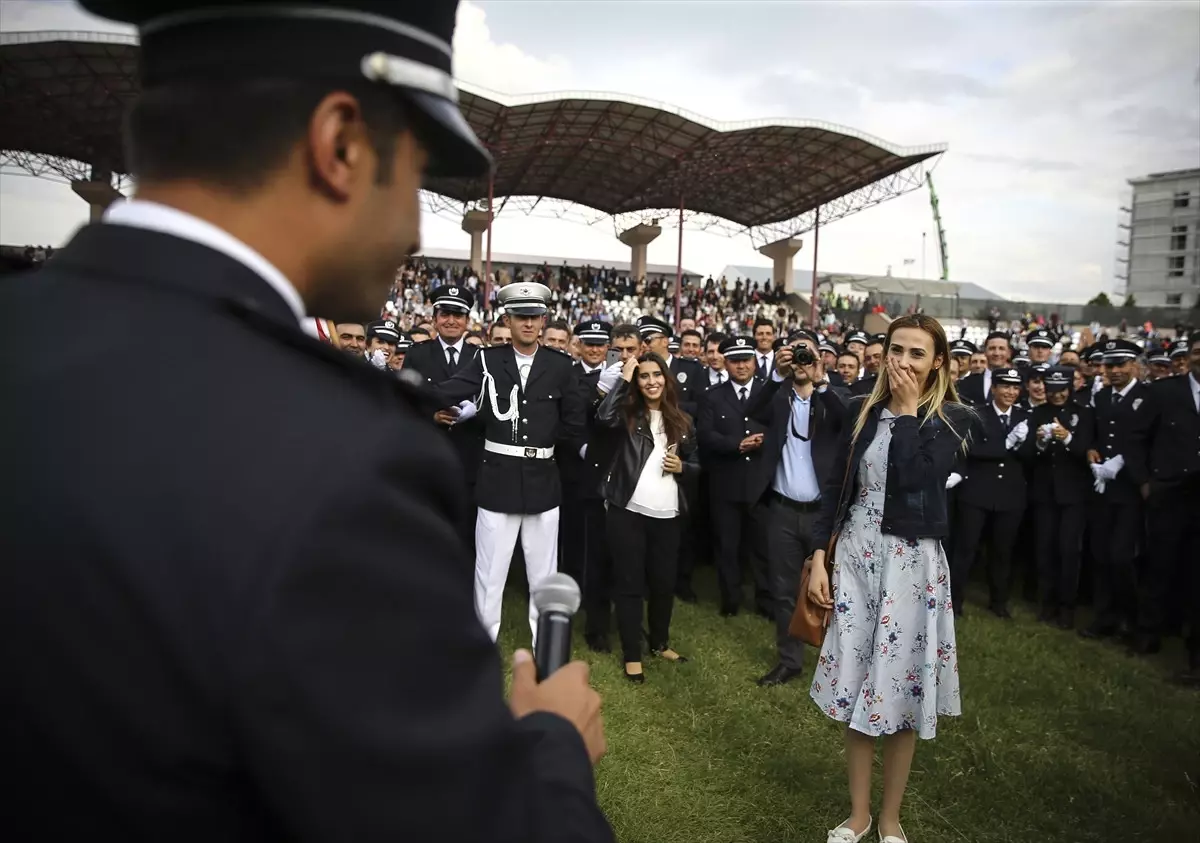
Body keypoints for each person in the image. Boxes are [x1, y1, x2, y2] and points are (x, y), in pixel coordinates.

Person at [0, 3, 613, 839]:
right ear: (341, 146)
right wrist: (553, 742)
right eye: (420, 171)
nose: (415, 225)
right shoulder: (346, 462)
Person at [806, 314, 970, 843]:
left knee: (901, 689)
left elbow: (918, 480)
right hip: (855, 559)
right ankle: (858, 815)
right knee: (859, 687)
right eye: (895, 349)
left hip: (911, 568)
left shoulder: (951, 420)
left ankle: (891, 818)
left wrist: (904, 414)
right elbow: (836, 488)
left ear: (937, 362)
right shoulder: (862, 411)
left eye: (916, 353)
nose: (901, 361)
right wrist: (817, 558)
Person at [433, 282, 590, 642]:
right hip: (497, 477)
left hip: (543, 480)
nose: (529, 324)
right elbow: (449, 390)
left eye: (535, 317)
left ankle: (546, 644)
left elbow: (574, 423)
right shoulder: (487, 359)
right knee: (489, 572)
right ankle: (481, 643)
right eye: (521, 317)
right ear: (508, 318)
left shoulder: (561, 365)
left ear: (544, 319)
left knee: (543, 573)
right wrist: (400, 391)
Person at [743, 330, 848, 686]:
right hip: (783, 510)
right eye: (796, 354)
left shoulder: (834, 396)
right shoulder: (778, 395)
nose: (802, 361)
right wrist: (775, 374)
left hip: (824, 513)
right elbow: (751, 411)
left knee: (834, 590)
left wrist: (820, 384)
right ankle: (790, 660)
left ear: (823, 358)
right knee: (784, 588)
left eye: (809, 354)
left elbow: (848, 422)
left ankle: (837, 662)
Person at [595, 353, 700, 683]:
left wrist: (686, 468)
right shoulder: (627, 414)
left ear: (666, 379)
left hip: (668, 513)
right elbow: (602, 416)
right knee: (629, 584)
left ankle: (659, 642)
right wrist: (623, 378)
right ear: (637, 383)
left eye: (657, 374)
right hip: (628, 511)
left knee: (663, 583)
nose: (651, 381)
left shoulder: (683, 420)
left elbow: (698, 464)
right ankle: (631, 655)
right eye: (644, 376)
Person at [950, 367, 1035, 618]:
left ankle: (999, 602)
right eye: (1005, 386)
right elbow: (971, 450)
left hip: (1010, 495)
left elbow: (1030, 456)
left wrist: (1032, 442)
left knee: (1002, 551)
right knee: (966, 549)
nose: (1010, 392)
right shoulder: (978, 414)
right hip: (977, 492)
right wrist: (1006, 444)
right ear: (994, 389)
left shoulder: (1025, 416)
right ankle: (954, 602)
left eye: (1014, 387)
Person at [697, 335, 771, 618]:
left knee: (761, 548)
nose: (741, 366)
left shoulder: (770, 392)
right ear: (725, 363)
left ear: (755, 361)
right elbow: (705, 435)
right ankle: (730, 600)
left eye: (746, 360)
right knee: (727, 545)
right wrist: (737, 445)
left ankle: (765, 602)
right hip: (725, 482)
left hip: (760, 484)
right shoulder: (711, 396)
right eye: (735, 361)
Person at [1028, 367, 1095, 628]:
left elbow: (1087, 451)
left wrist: (1068, 438)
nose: (1057, 396)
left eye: (1062, 391)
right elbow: (1029, 455)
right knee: (1044, 549)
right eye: (1052, 391)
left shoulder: (1084, 413)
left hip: (1073, 495)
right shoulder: (1038, 412)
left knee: (1069, 551)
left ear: (1071, 388)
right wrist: (1039, 444)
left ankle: (1067, 605)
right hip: (1045, 492)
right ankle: (1047, 602)